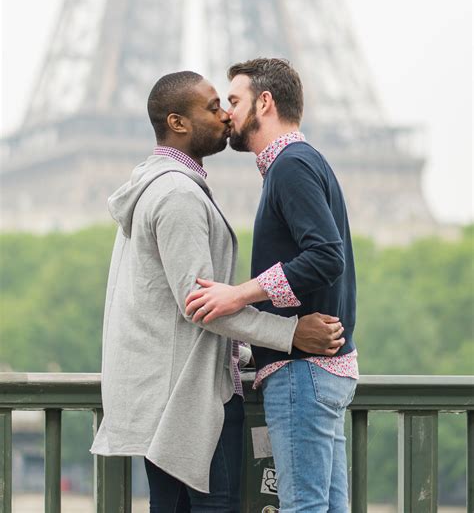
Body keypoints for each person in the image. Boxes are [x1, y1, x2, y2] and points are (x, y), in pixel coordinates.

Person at [90, 70, 346, 513]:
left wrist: (239, 351)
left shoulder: (160, 185)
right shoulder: (177, 195)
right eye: (213, 107)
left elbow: (180, 305)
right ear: (178, 123)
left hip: (168, 396)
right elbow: (201, 304)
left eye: (228, 102)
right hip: (188, 402)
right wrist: (289, 334)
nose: (226, 115)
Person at [185, 58, 358, 512]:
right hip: (321, 370)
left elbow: (325, 255)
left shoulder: (290, 166)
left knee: (303, 507)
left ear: (266, 102)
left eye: (236, 102)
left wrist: (237, 294)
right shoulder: (302, 162)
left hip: (301, 372)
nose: (228, 114)